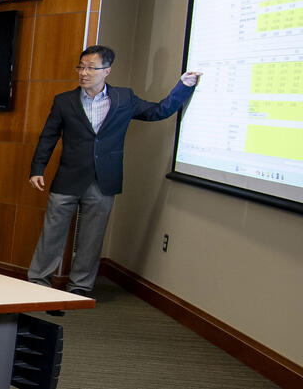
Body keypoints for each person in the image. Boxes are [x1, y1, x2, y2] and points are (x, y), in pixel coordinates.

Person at [28, 45, 200, 301]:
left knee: (92, 237)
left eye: (90, 68)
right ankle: (37, 283)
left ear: (107, 71)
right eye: (81, 67)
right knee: (52, 233)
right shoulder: (64, 101)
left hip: (103, 181)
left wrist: (184, 86)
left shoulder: (124, 99)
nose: (84, 73)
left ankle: (79, 288)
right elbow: (48, 136)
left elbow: (159, 111)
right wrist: (37, 169)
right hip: (68, 178)